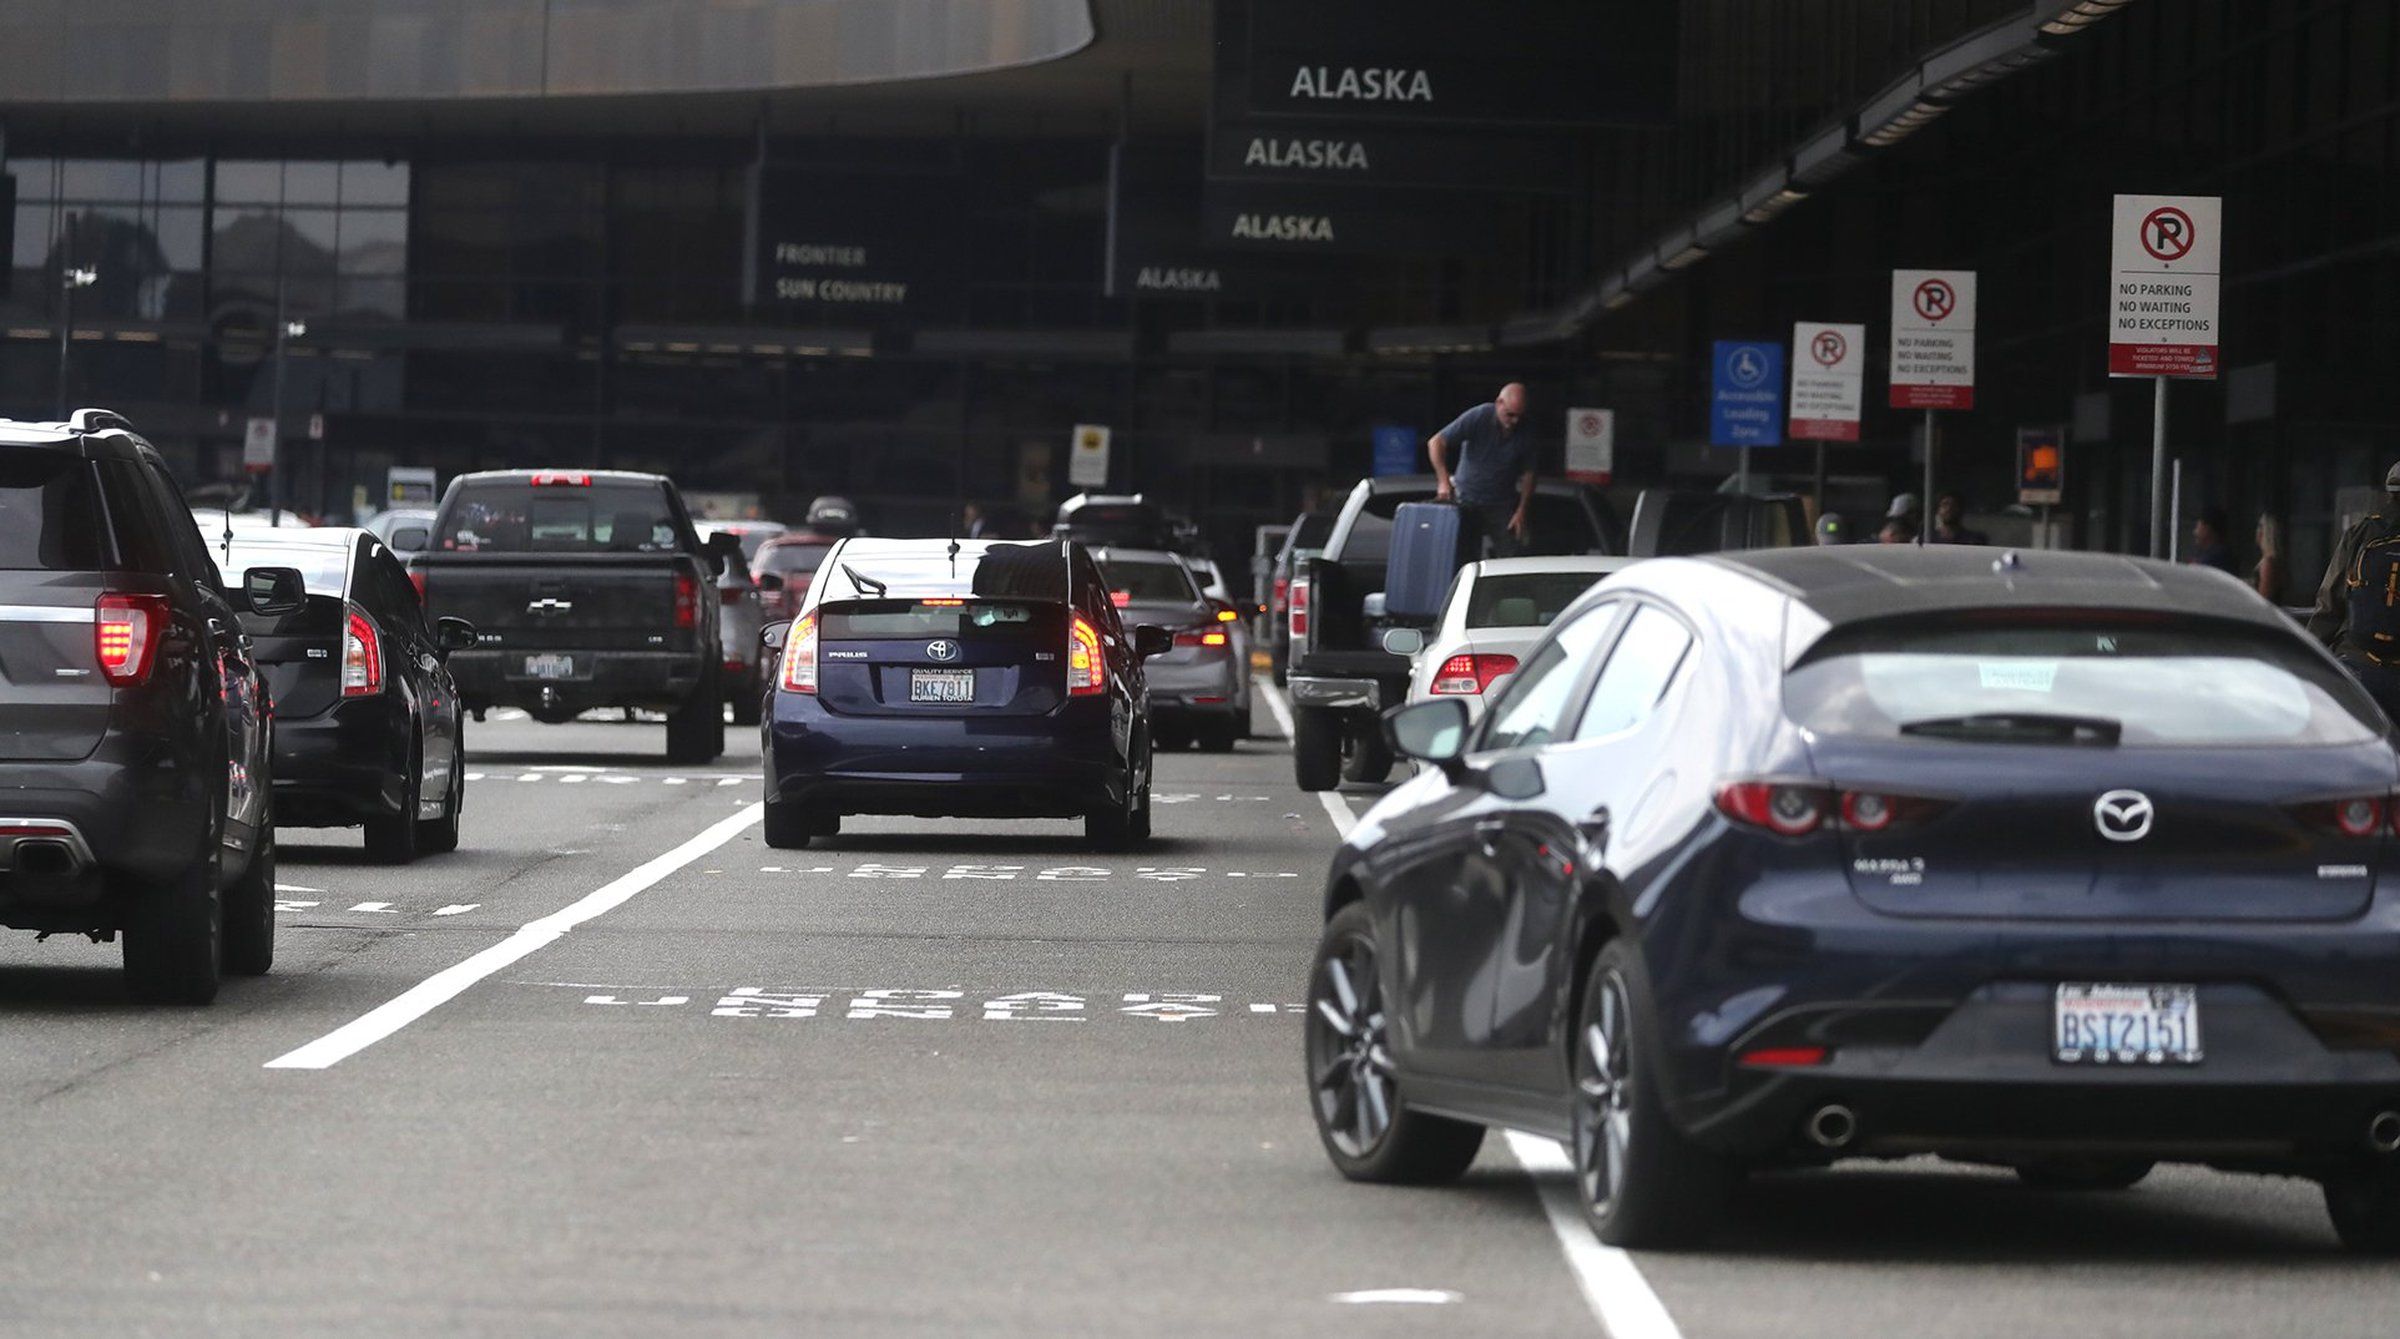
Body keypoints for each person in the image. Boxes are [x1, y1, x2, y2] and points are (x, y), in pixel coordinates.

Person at [2309, 464, 2400, 721]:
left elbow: (2330, 602)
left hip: (2360, 665)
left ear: (2389, 493)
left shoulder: (2361, 533)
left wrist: (2310, 655)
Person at [1429, 383, 1535, 558]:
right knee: (1461, 554)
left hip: (1501, 504)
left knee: (1512, 554)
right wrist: (1443, 480)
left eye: (1519, 416)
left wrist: (1522, 510)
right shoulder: (1479, 416)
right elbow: (1436, 442)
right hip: (1467, 498)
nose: (1514, 421)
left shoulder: (1527, 429)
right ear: (1499, 403)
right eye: (1510, 415)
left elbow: (1529, 473)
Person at [2188, 507, 2237, 575]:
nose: (2194, 532)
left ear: (2207, 529)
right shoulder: (2209, 554)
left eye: (2197, 527)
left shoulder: (2218, 557)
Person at [2255, 514, 2287, 604]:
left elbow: (2263, 599)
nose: (2257, 531)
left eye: (2260, 526)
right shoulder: (2270, 561)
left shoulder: (2268, 563)